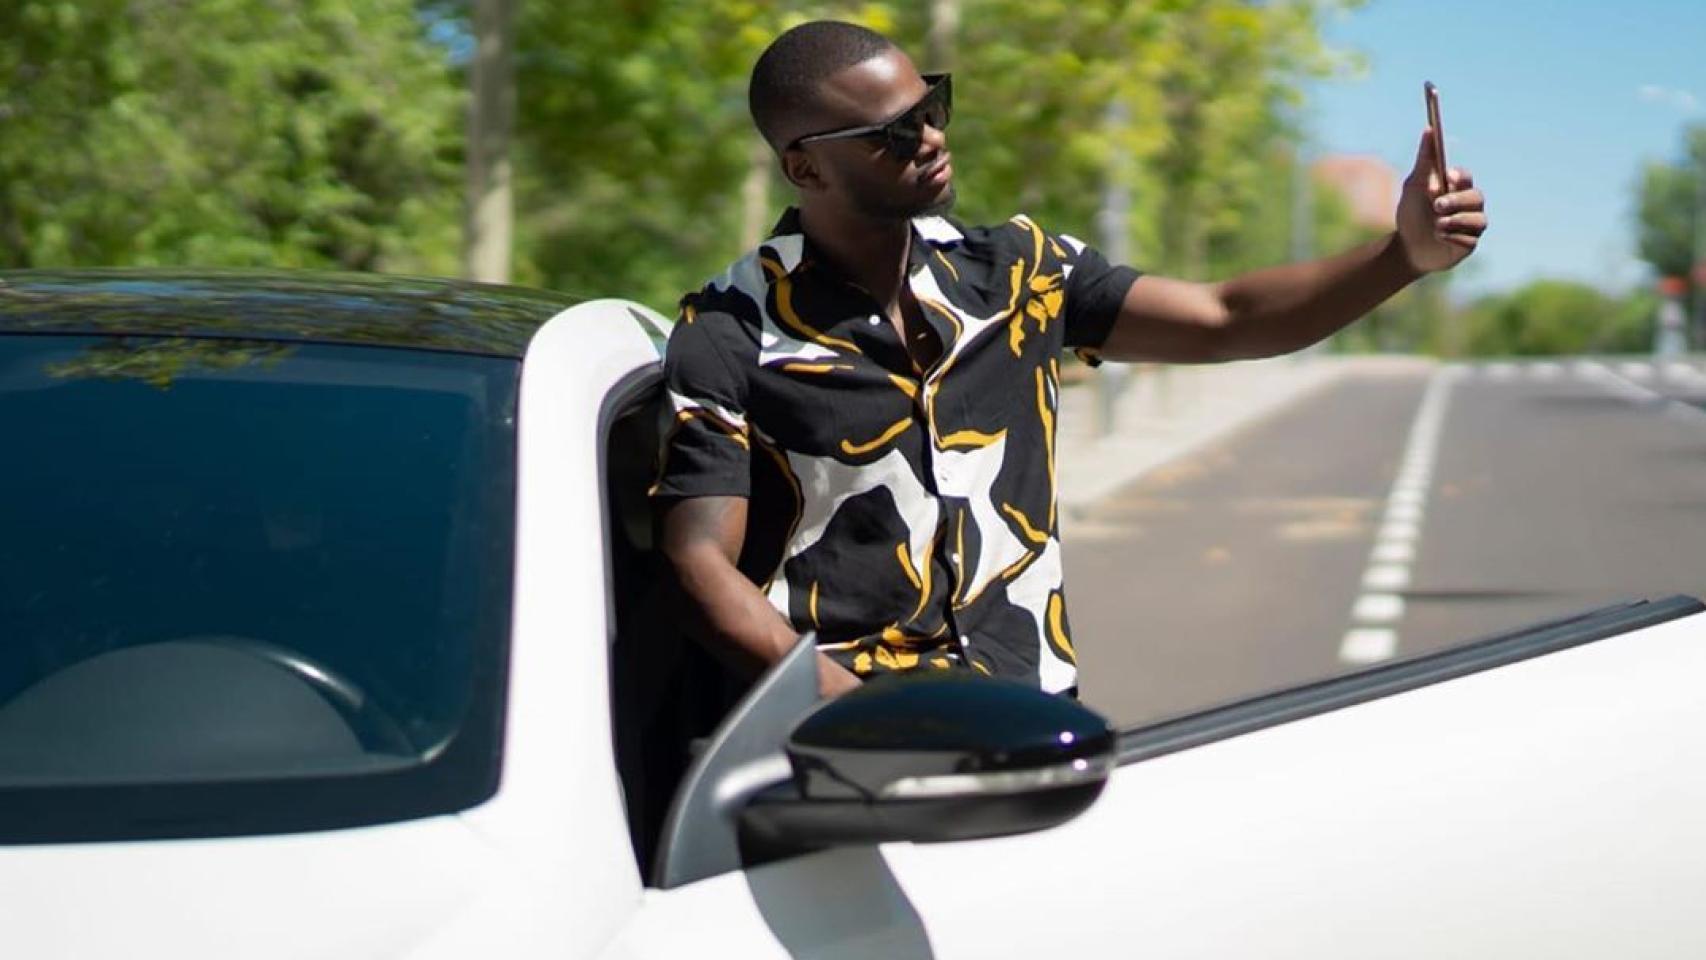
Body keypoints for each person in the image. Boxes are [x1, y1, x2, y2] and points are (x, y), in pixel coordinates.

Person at [650, 20, 1487, 699]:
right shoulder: (729, 329)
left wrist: (1399, 257)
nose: (931, 136)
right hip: (840, 747)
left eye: (932, 105)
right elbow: (699, 567)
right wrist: (843, 708)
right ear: (805, 165)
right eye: (893, 133)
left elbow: (1224, 317)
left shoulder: (1020, 270)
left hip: (1030, 714)